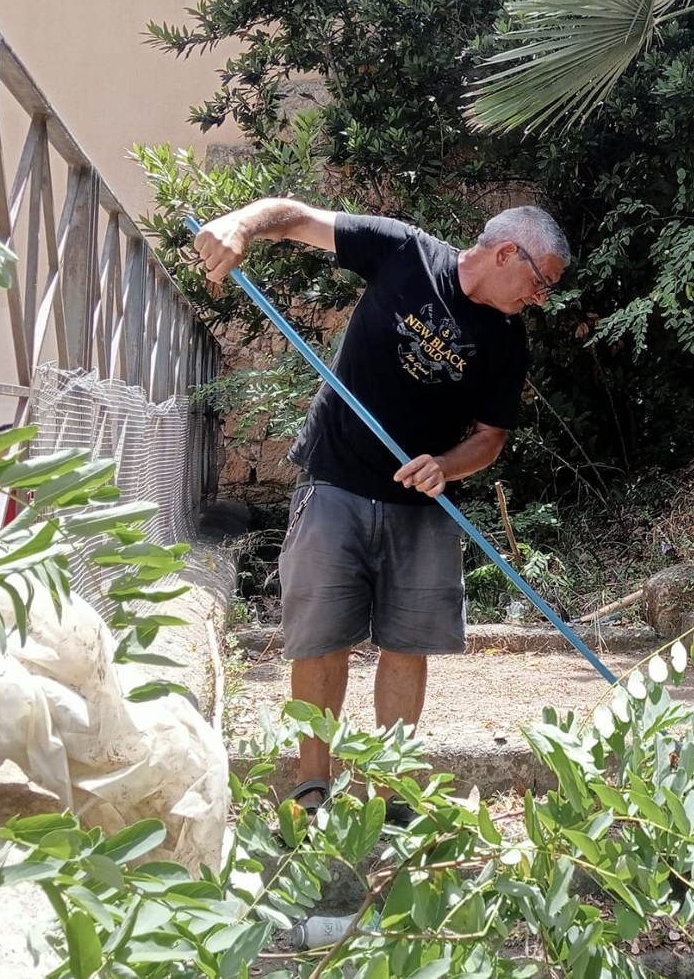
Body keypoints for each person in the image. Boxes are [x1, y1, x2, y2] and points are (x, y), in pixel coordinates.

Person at [194, 197, 569, 821]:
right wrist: (238, 226)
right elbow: (291, 217)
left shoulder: (507, 342)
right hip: (336, 480)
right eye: (541, 282)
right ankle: (313, 789)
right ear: (508, 253)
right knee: (320, 640)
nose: (540, 298)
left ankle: (391, 797)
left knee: (407, 645)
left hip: (421, 506)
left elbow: (492, 437)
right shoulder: (404, 252)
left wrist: (446, 465)